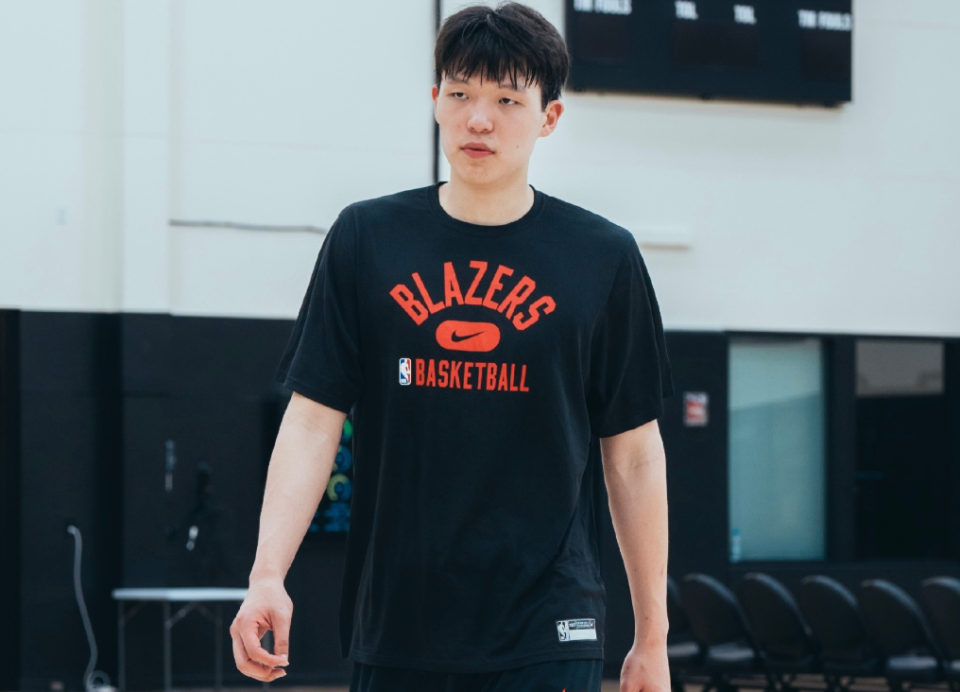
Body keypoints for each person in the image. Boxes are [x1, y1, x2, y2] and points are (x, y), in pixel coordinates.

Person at [230, 3, 674, 691]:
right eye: (461, 94)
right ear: (436, 101)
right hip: (400, 619)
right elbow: (314, 420)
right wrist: (267, 574)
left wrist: (652, 635)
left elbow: (635, 453)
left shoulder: (601, 257)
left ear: (549, 117)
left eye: (507, 100)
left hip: (550, 622)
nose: (478, 120)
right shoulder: (366, 239)